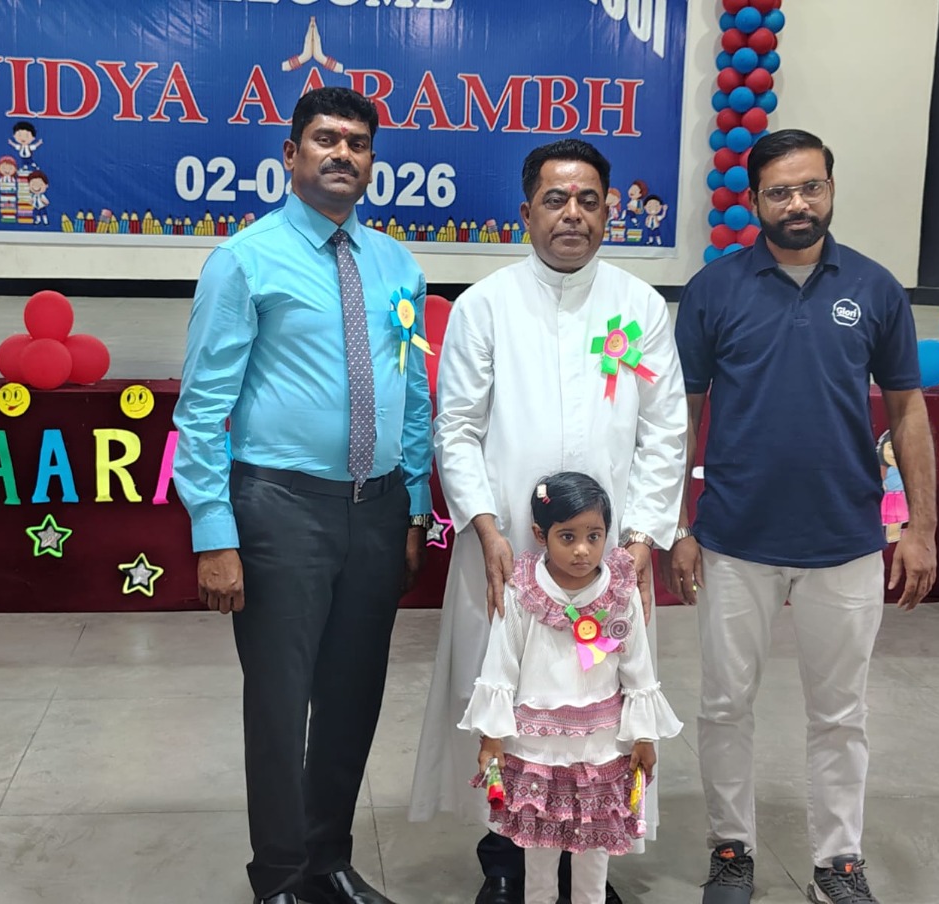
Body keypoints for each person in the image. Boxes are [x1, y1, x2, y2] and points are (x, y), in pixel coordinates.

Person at [409, 138, 688, 904]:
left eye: (588, 200)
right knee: (508, 702)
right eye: (555, 199)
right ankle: (506, 861)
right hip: (507, 551)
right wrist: (484, 526)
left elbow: (666, 430)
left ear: (608, 213)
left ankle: (587, 860)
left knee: (600, 710)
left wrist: (640, 540)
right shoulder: (485, 305)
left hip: (609, 560)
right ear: (525, 211)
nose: (572, 214)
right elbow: (455, 427)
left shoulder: (638, 307)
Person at [173, 86, 434, 904]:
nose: (342, 153)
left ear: (371, 162)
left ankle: (327, 862)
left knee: (353, 699)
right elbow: (201, 409)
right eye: (325, 139)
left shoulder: (396, 263)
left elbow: (411, 393)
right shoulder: (244, 260)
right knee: (281, 706)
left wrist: (415, 504)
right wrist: (213, 532)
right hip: (279, 510)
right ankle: (280, 877)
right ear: (291, 154)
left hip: (378, 509)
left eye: (357, 143)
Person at [668, 129, 937, 904]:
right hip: (733, 538)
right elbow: (681, 416)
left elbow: (907, 409)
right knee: (724, 706)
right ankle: (730, 850)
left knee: (841, 714)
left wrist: (918, 528)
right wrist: (681, 526)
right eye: (779, 191)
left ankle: (837, 862)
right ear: (753, 200)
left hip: (845, 538)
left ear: (829, 189)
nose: (796, 203)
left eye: (809, 187)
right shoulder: (712, 290)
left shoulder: (875, 289)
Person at [460, 472, 683, 904]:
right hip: (536, 752)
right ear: (540, 534)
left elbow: (638, 667)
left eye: (593, 536)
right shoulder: (523, 592)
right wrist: (492, 736)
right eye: (568, 537)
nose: (582, 549)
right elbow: (500, 665)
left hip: (601, 750)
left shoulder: (620, 592)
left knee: (593, 863)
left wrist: (643, 737)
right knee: (539, 862)